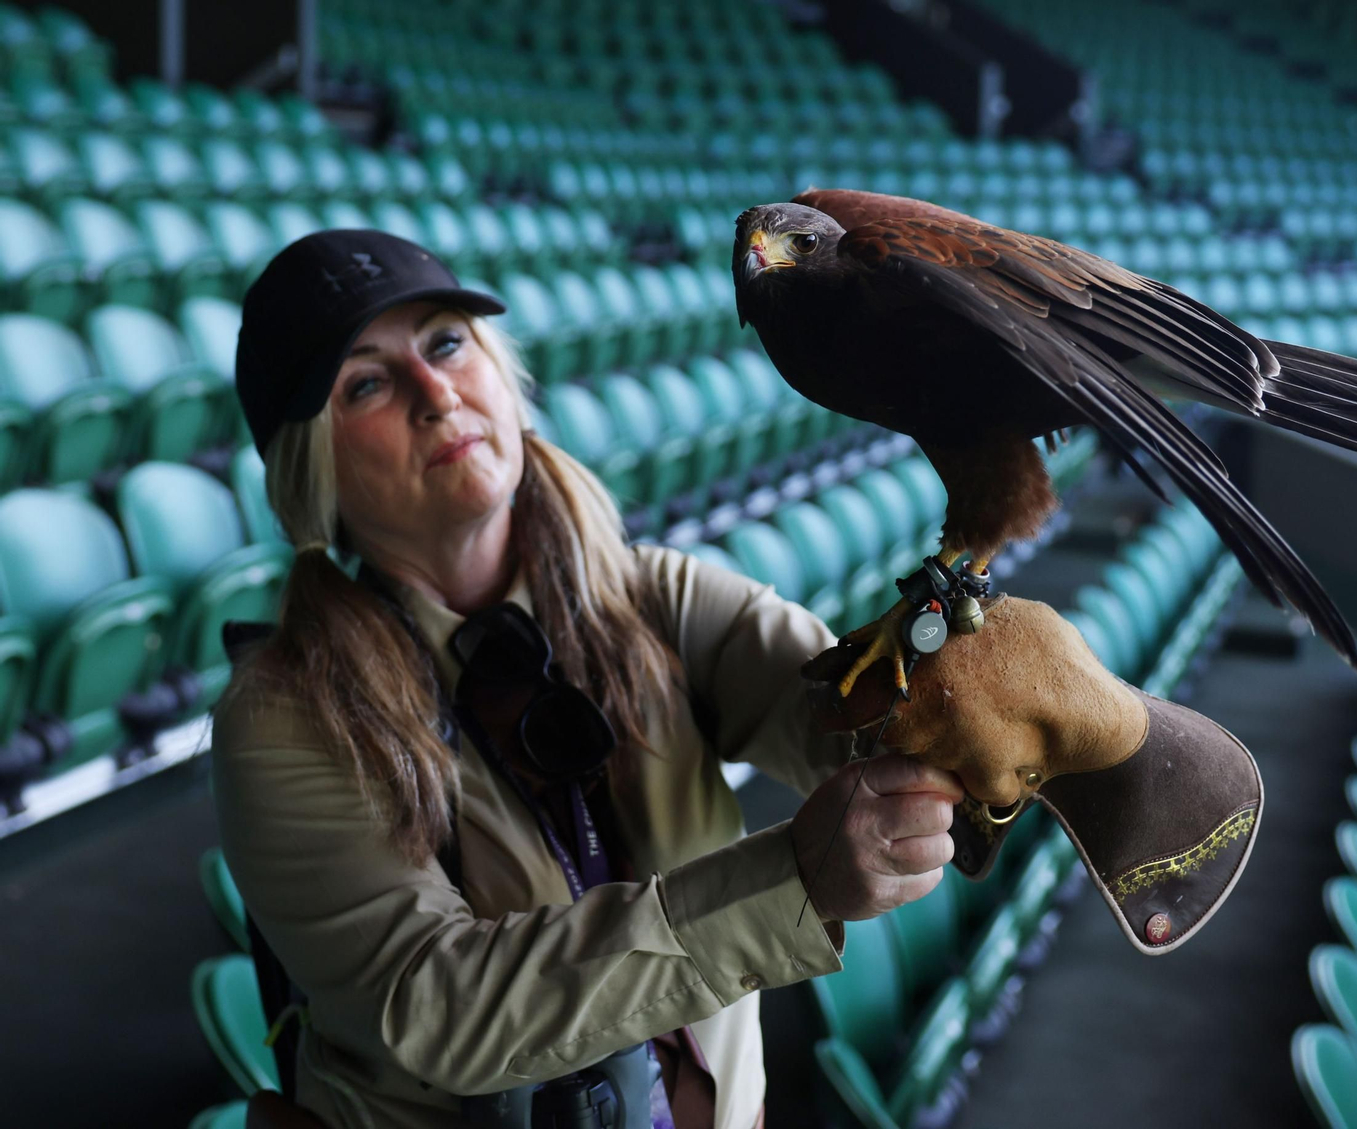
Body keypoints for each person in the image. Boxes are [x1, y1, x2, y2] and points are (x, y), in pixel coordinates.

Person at [213, 229, 966, 1129]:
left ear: (501, 371)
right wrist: (792, 881)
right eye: (366, 382)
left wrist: (963, 681)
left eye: (447, 342)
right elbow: (440, 1003)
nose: (435, 393)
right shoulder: (284, 714)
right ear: (312, 472)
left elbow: (858, 717)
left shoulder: (661, 596)